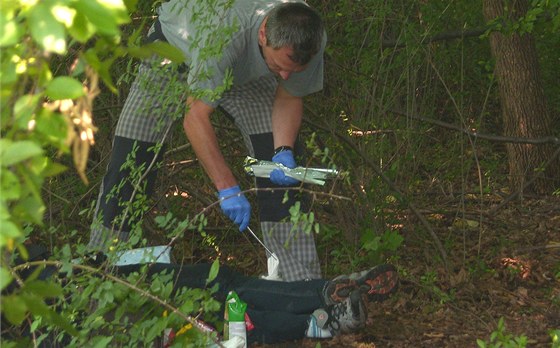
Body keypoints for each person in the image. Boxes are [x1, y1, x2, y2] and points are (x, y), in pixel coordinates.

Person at [89, 0, 328, 281]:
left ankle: (299, 285)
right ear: (263, 34)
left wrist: (283, 150)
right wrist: (227, 187)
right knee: (131, 161)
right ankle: (98, 278)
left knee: (278, 169)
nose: (286, 76)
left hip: (243, 71)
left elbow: (288, 95)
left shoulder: (309, 36)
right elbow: (195, 117)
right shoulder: (224, 34)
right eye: (280, 65)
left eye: (292, 70)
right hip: (174, 52)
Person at [115, 262, 399, 345]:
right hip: (151, 322)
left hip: (145, 296)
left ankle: (324, 320)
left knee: (227, 298)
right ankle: (322, 300)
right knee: (228, 309)